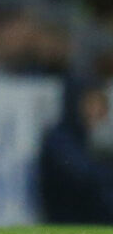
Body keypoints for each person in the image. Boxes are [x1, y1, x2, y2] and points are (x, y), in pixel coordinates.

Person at [38, 77, 113, 223]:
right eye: (91, 103)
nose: (97, 110)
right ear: (75, 103)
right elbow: (85, 176)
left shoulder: (83, 137)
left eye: (100, 104)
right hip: (67, 220)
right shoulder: (58, 139)